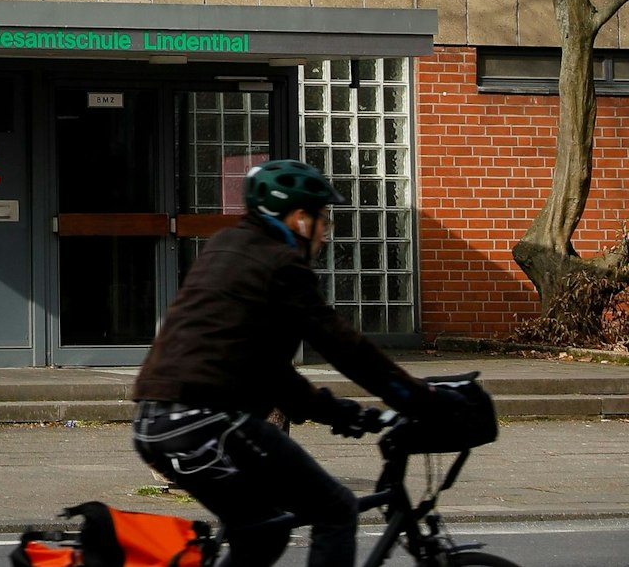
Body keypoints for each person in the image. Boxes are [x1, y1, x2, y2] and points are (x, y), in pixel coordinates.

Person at [130, 159, 464, 567]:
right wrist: (420, 398)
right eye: (323, 219)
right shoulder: (281, 264)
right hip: (205, 422)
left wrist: (341, 413)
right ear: (298, 218)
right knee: (335, 509)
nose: (326, 231)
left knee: (265, 530)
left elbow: (269, 372)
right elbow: (346, 348)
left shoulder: (226, 246)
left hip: (158, 420)